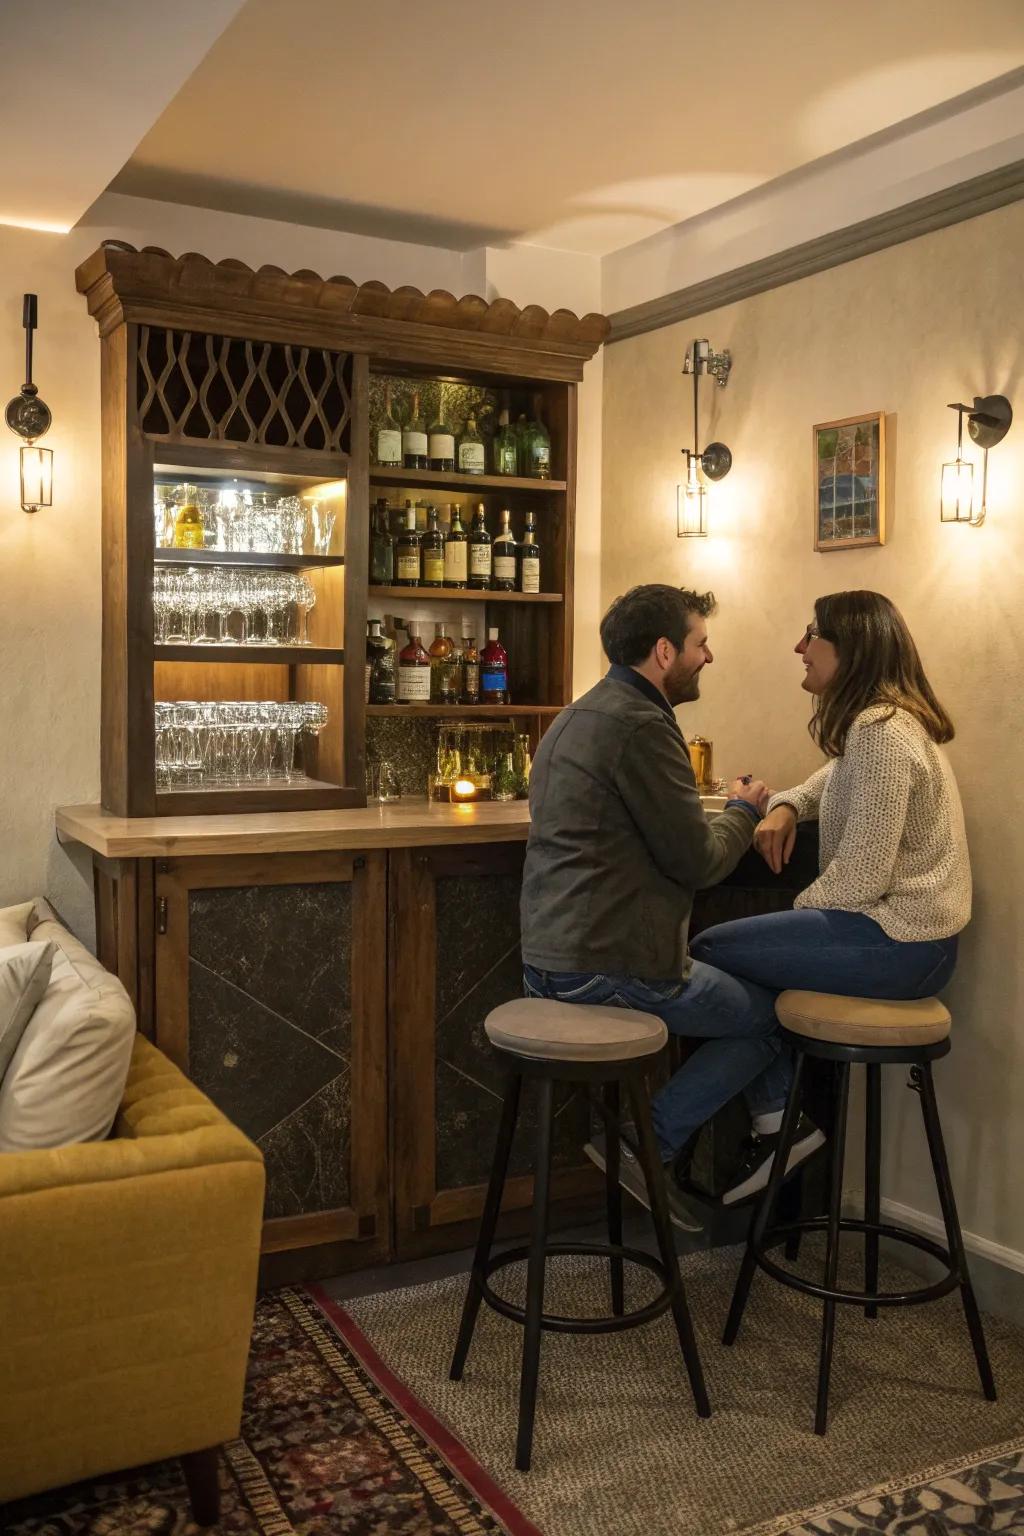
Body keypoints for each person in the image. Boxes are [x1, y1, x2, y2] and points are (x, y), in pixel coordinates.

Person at [690, 589, 970, 1206]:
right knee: (752, 972)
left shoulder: (881, 732)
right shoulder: (879, 727)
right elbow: (835, 778)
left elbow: (860, 878)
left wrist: (790, 932)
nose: (798, 646)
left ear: (853, 646)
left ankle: (737, 1127)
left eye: (811, 633)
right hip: (907, 941)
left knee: (708, 948)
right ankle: (777, 1130)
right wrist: (788, 802)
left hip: (900, 943)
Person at [521, 583, 773, 1231]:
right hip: (611, 963)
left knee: (742, 995)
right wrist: (745, 811)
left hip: (548, 959)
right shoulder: (642, 727)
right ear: (664, 652)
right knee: (769, 1017)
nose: (708, 657)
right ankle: (651, 1143)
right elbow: (697, 861)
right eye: (700, 643)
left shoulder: (577, 715)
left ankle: (777, 1129)